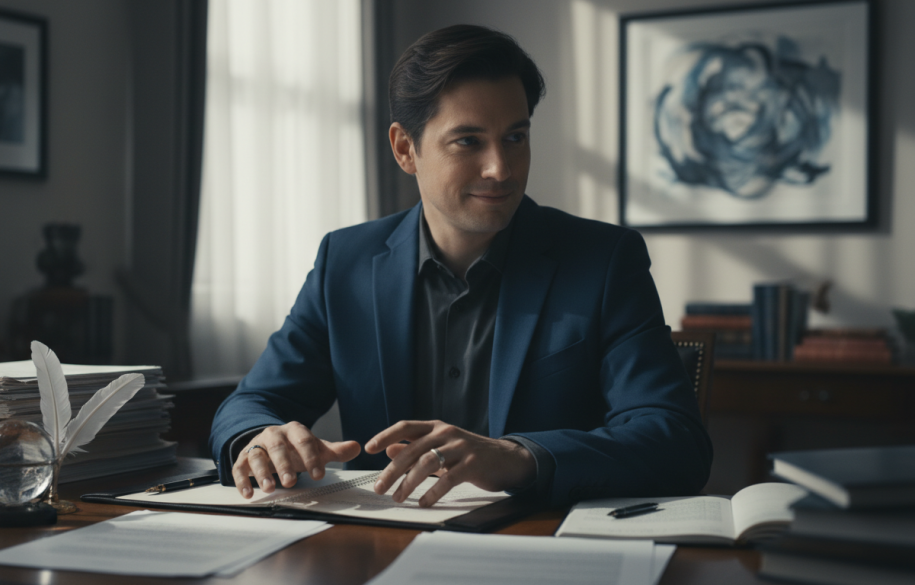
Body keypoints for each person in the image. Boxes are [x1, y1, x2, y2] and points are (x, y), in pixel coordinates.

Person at [210, 24, 712, 508]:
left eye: (515, 137)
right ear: (406, 149)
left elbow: (674, 441)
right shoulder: (345, 261)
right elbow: (251, 404)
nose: (501, 168)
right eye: (468, 141)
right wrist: (260, 440)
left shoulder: (604, 260)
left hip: (542, 547)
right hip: (378, 546)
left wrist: (519, 457)